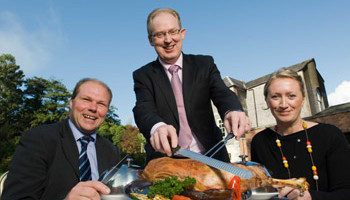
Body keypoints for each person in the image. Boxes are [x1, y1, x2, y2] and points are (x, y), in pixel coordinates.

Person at [133, 8, 251, 163]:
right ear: (151, 40)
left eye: (173, 31)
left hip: (212, 157)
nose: (168, 40)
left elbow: (221, 93)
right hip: (167, 161)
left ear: (182, 33)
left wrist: (232, 110)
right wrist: (156, 127)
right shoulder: (143, 75)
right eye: (160, 34)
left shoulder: (204, 64)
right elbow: (143, 107)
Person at [2, 78, 121, 200]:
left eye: (101, 104)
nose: (93, 108)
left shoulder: (112, 151)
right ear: (71, 102)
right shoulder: (38, 139)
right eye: (86, 99)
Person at [250, 68, 350, 200]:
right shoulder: (260, 141)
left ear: (303, 99)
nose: (284, 104)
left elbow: (346, 193)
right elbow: (260, 193)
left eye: (291, 96)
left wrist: (311, 197)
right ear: (267, 101)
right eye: (275, 96)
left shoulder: (330, 135)